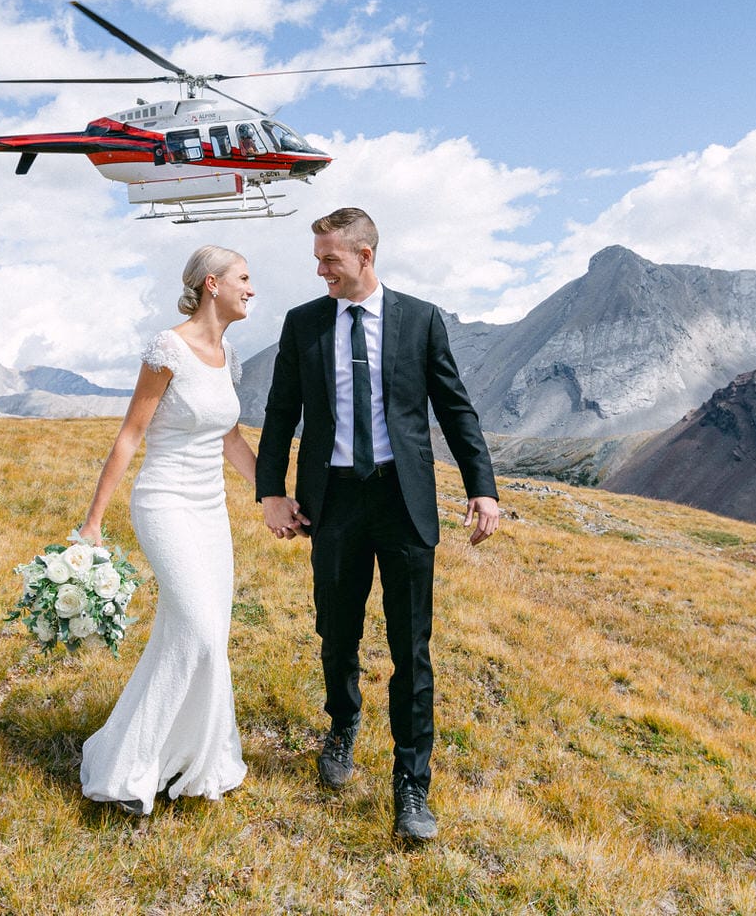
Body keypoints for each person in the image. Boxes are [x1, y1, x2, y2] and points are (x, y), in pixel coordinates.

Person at [256, 207, 499, 841]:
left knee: (410, 649)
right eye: (317, 259)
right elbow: (281, 410)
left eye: (330, 259)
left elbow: (454, 406)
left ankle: (411, 781)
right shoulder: (304, 323)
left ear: (365, 256)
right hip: (331, 504)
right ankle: (343, 724)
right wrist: (270, 493)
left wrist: (483, 488)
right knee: (336, 632)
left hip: (403, 502)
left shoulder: (419, 319)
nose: (320, 270)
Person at [76, 245, 257, 815]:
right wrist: (94, 522)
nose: (251, 290)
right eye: (244, 279)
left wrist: (273, 495)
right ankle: (127, 768)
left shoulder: (229, 354)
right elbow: (131, 433)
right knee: (199, 631)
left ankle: (191, 757)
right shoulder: (167, 348)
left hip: (211, 511)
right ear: (212, 284)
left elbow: (228, 437)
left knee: (201, 635)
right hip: (164, 503)